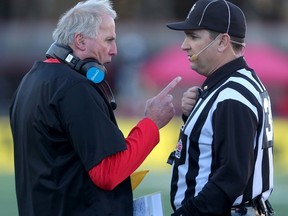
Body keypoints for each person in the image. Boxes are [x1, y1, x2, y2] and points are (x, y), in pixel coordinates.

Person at [9, 0, 182, 215]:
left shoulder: (31, 80)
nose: (114, 50)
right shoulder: (74, 87)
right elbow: (108, 171)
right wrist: (152, 123)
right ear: (80, 41)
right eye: (108, 40)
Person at [166, 0, 274, 215]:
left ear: (223, 41)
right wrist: (192, 115)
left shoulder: (231, 95)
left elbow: (231, 175)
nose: (184, 45)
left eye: (194, 36)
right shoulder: (232, 85)